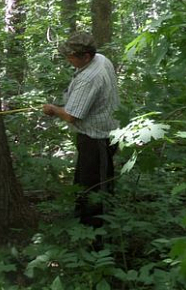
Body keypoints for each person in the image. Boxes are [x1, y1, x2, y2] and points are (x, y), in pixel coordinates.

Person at [42, 33, 119, 228]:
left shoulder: (89, 78)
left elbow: (71, 116)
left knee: (94, 186)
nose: (68, 59)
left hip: (98, 138)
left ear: (86, 56)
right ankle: (82, 221)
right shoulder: (100, 59)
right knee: (85, 180)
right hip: (99, 133)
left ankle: (95, 233)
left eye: (71, 56)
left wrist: (53, 109)